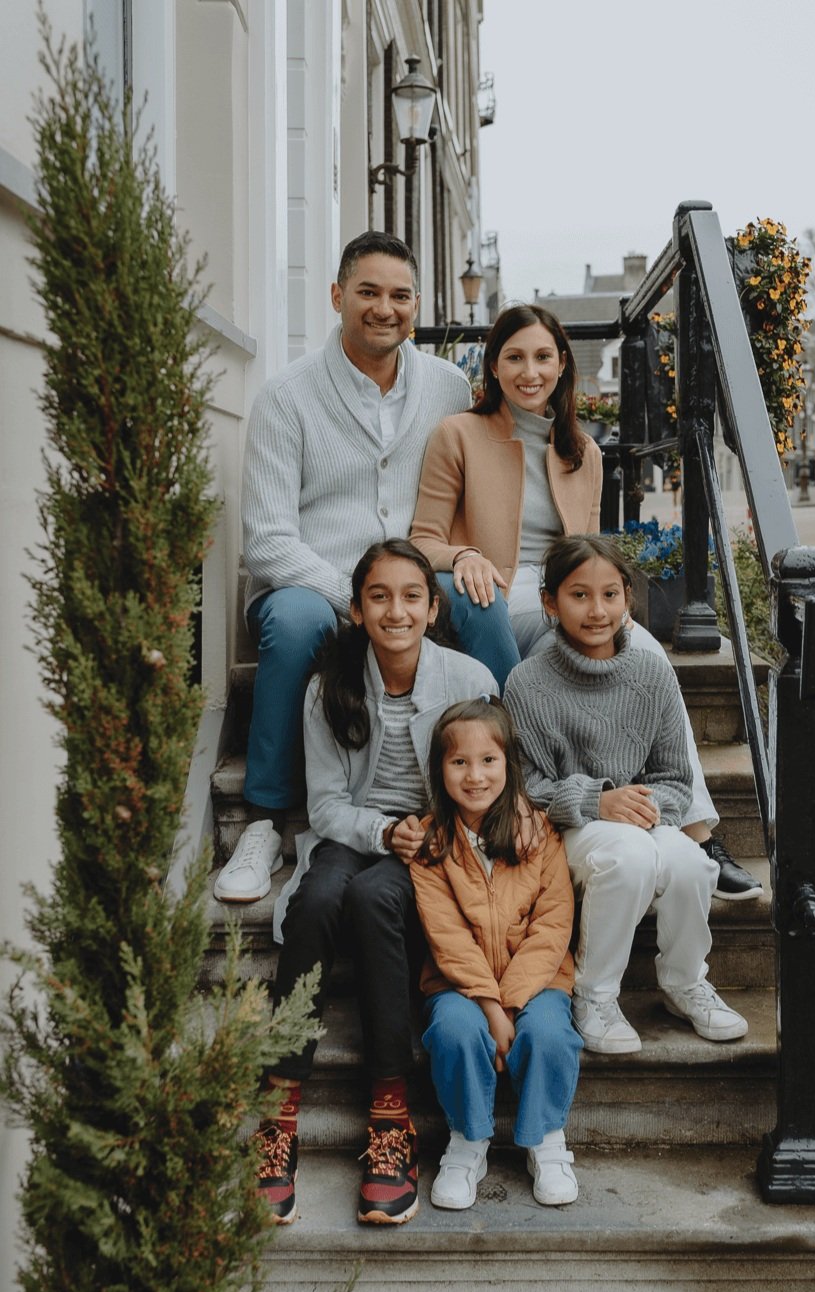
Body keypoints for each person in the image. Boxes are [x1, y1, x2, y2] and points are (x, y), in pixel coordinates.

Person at [409, 303, 761, 901]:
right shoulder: (457, 435)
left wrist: (598, 600)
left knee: (646, 651)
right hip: (491, 586)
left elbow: (588, 549)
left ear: (562, 364)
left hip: (563, 591)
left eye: (543, 356)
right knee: (570, 653)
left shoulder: (584, 452)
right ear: (493, 365)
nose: (529, 371)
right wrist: (463, 554)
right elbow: (423, 539)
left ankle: (697, 833)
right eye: (515, 357)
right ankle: (567, 799)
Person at [215, 231, 472, 904]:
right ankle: (266, 819)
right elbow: (267, 540)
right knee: (297, 623)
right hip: (308, 584)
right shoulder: (286, 396)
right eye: (367, 292)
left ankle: (496, 793)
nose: (384, 308)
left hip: (414, 582)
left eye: (399, 295)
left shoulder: (449, 389)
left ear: (417, 304)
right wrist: (354, 599)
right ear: (336, 296)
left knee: (478, 599)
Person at [251, 541, 496, 1227]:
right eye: (379, 597)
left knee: (375, 897)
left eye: (411, 595)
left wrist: (437, 830)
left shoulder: (469, 677)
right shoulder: (328, 686)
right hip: (355, 832)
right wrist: (383, 832)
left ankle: (390, 1112)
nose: (396, 610)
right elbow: (325, 806)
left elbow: (487, 782)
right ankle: (279, 1104)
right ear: (356, 610)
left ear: (432, 605)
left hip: (431, 845)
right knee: (317, 900)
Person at [504, 535, 748, 1055]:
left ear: (627, 600)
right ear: (550, 603)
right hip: (565, 832)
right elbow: (528, 789)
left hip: (641, 820)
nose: (597, 610)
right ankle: (594, 994)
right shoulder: (526, 684)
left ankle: (684, 982)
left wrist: (645, 807)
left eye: (610, 594)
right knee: (631, 857)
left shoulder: (652, 673)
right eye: (579, 595)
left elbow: (676, 777)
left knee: (689, 861)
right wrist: (597, 802)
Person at [411, 698, 582, 1211]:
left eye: (489, 761)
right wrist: (488, 1007)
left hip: (539, 980)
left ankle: (545, 1139)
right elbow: (447, 939)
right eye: (459, 762)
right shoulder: (430, 846)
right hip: (457, 985)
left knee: (551, 1033)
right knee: (453, 1032)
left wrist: (511, 1004)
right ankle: (468, 1140)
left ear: (509, 765)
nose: (475, 776)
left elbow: (553, 927)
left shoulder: (542, 837)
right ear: (440, 771)